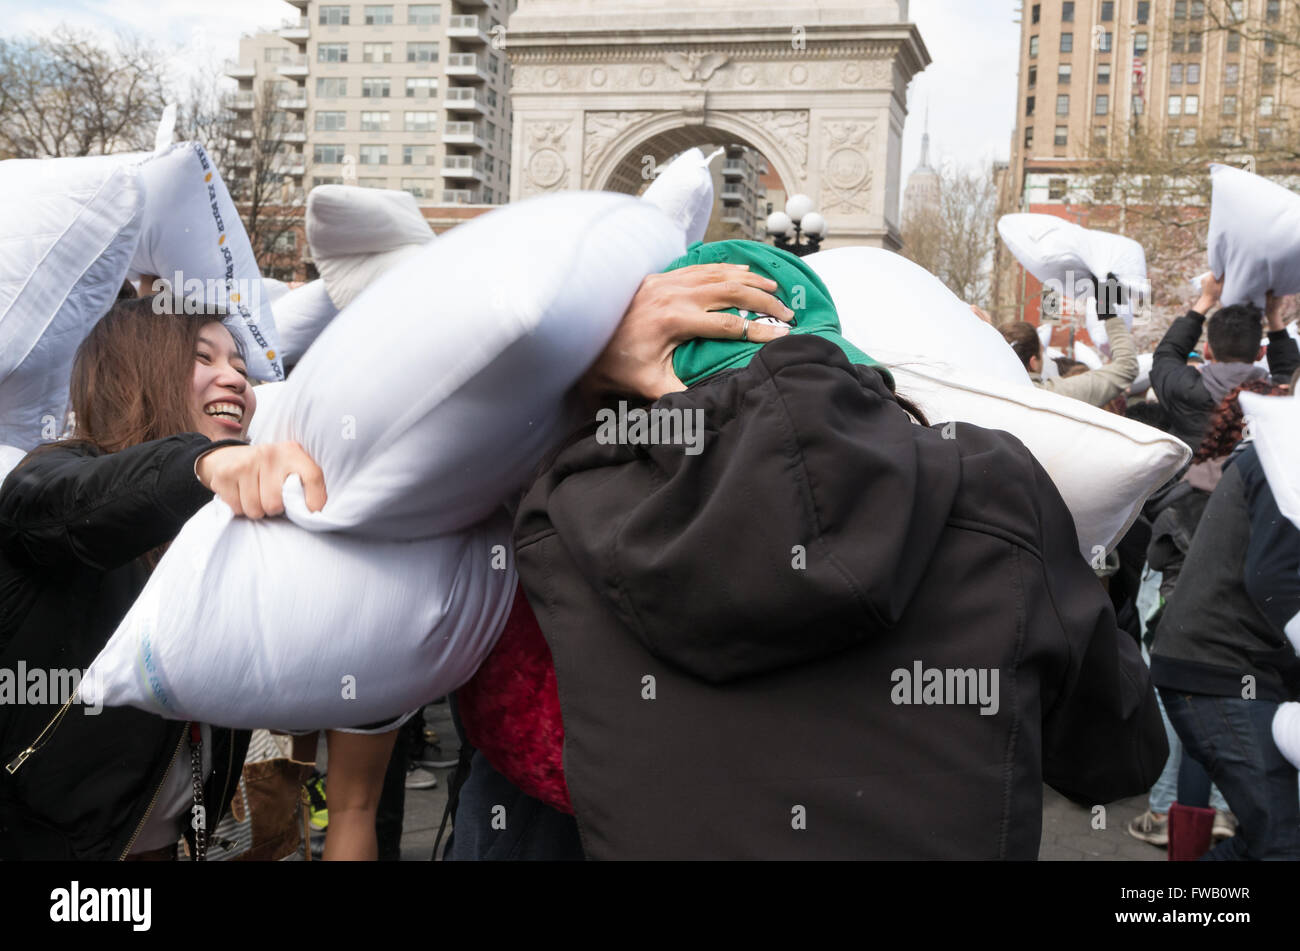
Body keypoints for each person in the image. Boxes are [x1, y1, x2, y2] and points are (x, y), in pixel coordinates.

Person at [449, 241, 1167, 860]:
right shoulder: (994, 486)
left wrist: (586, 367)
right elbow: (1120, 756)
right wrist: (1095, 566)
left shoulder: (564, 515)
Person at [0, 295, 327, 860]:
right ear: (134, 371)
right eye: (204, 359)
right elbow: (63, 507)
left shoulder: (227, 523)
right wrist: (199, 463)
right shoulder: (52, 473)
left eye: (242, 369)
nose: (234, 380)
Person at [1149, 423, 1300, 859]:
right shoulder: (1284, 455)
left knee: (1272, 839)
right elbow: (1273, 576)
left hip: (1232, 664)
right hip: (1219, 666)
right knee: (1280, 841)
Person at [1150, 275, 1298, 449]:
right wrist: (1273, 316)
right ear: (1261, 353)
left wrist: (1205, 301)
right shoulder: (1278, 396)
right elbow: (1291, 374)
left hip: (1191, 474)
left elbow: (1167, 354)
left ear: (1206, 351)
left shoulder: (1183, 389)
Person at [1001, 274, 1139, 408]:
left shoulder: (985, 394)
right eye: (1042, 354)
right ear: (1033, 363)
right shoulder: (1051, 397)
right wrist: (1109, 313)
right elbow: (1126, 367)